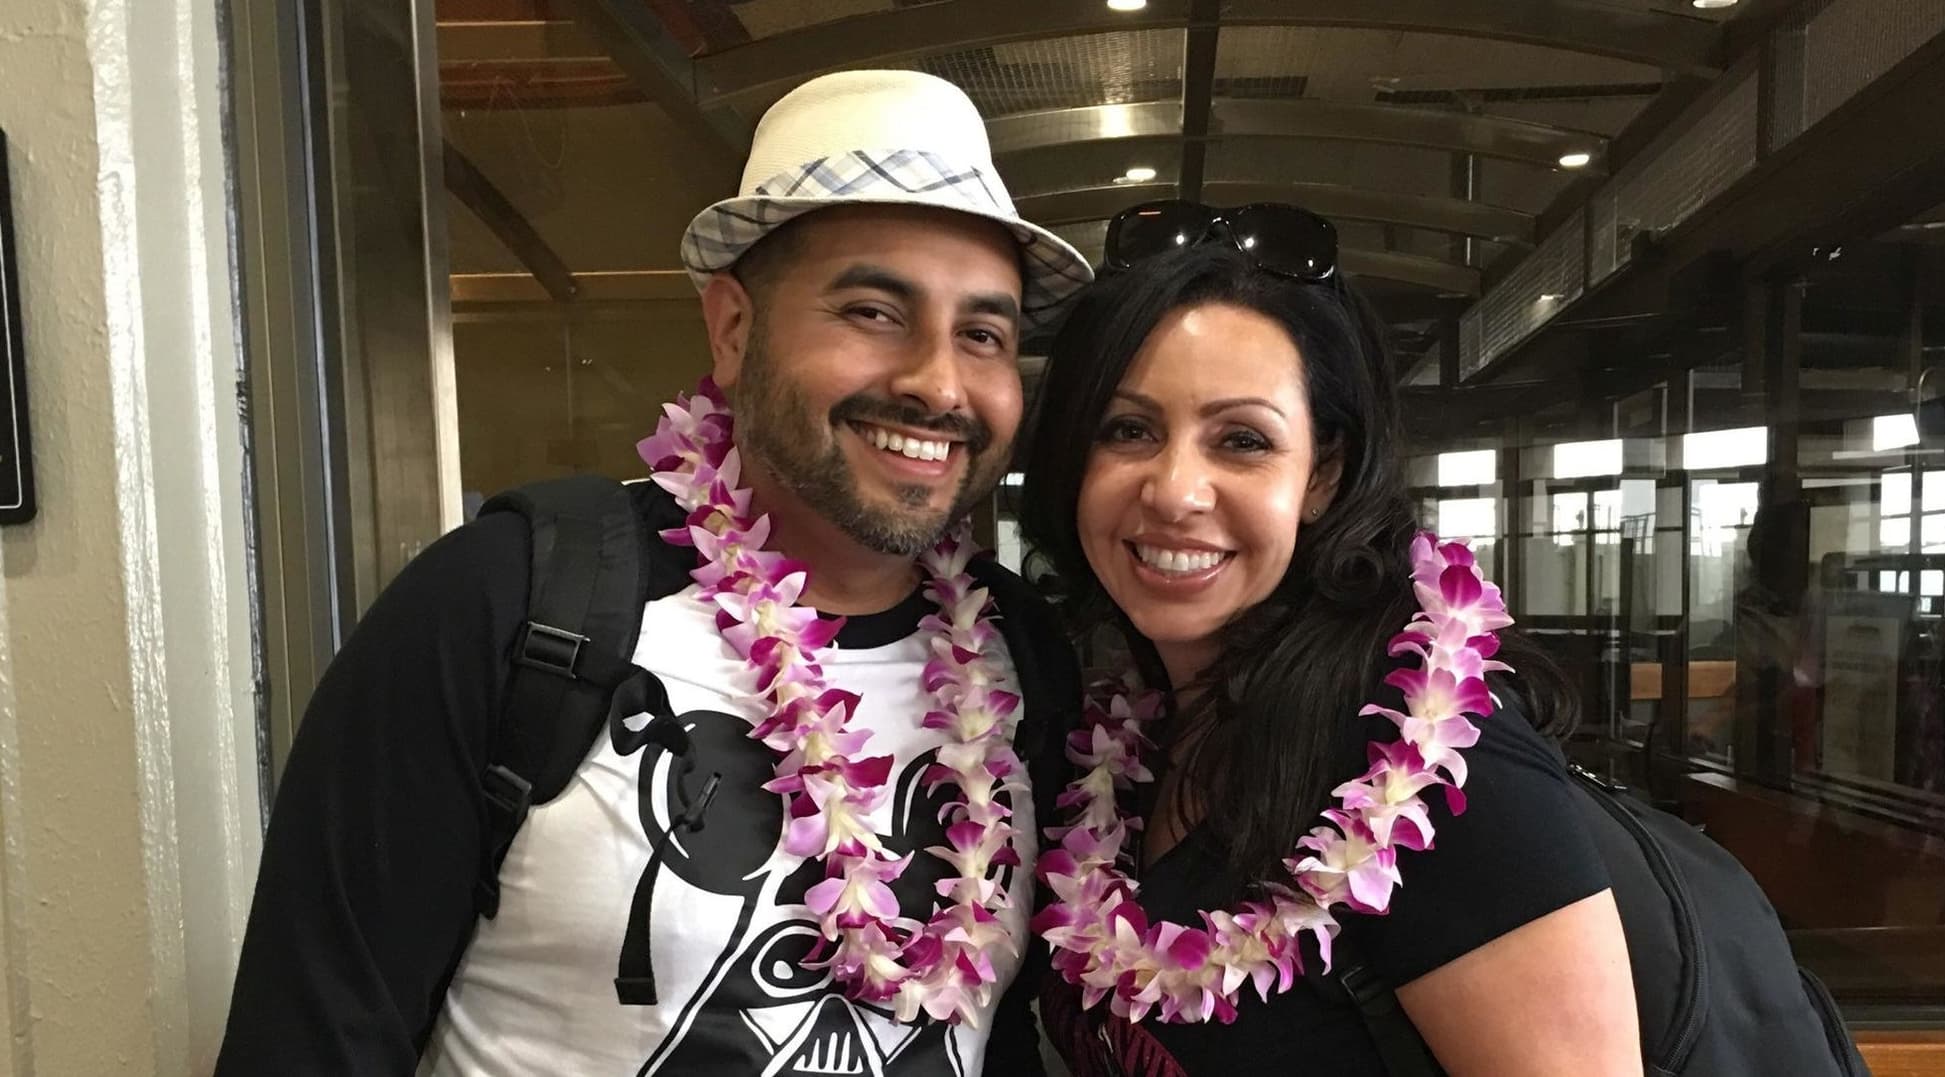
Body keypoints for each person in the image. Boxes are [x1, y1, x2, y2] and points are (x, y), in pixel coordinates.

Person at [216, 70, 1092, 1077]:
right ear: (732, 328)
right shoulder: (510, 603)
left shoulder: (1021, 655)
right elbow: (312, 1038)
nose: (938, 382)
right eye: (872, 312)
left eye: (982, 334)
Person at [1015, 204, 1639, 1076]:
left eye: (1241, 440)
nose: (1175, 490)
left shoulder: (1437, 771)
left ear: (1325, 474)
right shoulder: (1117, 733)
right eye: (1128, 429)